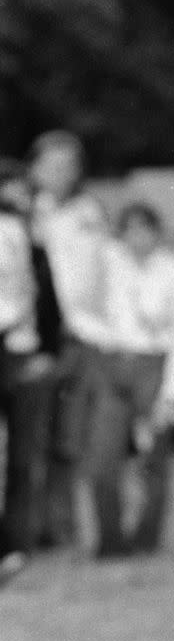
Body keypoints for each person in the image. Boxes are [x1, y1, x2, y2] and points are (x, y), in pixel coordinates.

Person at [81, 202, 174, 556]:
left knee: (153, 457)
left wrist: (171, 391)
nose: (137, 238)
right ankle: (110, 541)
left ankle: (146, 538)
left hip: (154, 365)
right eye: (130, 230)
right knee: (102, 458)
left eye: (144, 230)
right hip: (113, 361)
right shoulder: (107, 261)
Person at [28, 130, 111, 546]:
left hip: (84, 334)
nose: (62, 175)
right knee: (33, 437)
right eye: (53, 166)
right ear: (36, 168)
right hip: (40, 337)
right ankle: (31, 528)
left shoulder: (90, 213)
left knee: (72, 438)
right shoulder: (27, 214)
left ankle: (65, 529)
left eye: (69, 166)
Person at [0, 161, 57, 583]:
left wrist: (46, 348)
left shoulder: (26, 235)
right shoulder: (14, 232)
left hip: (19, 352)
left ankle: (17, 545)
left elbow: (37, 297)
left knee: (24, 458)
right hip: (13, 348)